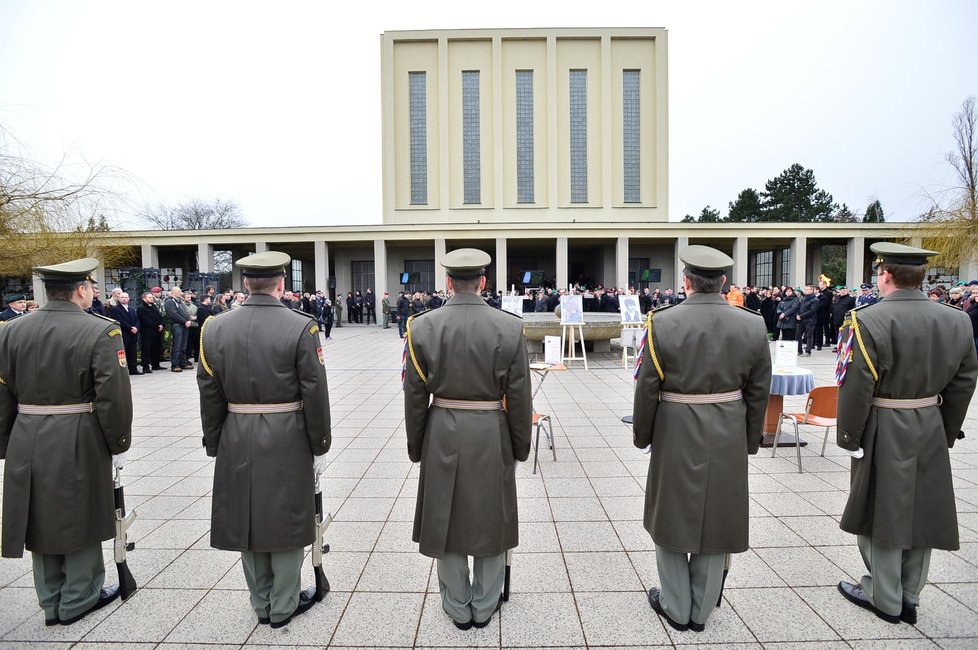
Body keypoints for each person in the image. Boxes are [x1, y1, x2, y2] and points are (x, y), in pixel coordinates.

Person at [834, 242, 977, 624]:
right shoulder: (956, 319)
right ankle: (910, 592)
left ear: (884, 274)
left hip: (884, 422)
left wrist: (849, 437)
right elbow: (964, 381)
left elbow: (856, 386)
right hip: (929, 421)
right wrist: (945, 429)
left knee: (878, 509)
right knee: (920, 510)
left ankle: (884, 594)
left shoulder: (866, 319)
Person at [633, 245, 771, 633]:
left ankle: (676, 604)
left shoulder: (662, 321)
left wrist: (643, 434)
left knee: (671, 511)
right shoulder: (752, 323)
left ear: (686, 281)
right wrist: (749, 440)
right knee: (719, 515)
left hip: (676, 424)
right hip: (728, 424)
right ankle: (702, 605)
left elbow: (647, 387)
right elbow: (760, 390)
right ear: (724, 282)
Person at [197, 251, 331, 628]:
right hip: (286, 431)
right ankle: (284, 603)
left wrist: (215, 441)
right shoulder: (301, 326)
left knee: (247, 516)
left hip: (237, 431)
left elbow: (209, 392)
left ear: (244, 284)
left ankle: (261, 601)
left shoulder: (214, 328)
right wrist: (319, 443)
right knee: (286, 517)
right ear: (281, 283)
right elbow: (314, 392)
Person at [403, 248, 532, 631]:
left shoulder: (422, 326)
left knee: (446, 513)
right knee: (491, 515)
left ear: (447, 282)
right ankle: (485, 602)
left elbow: (413, 395)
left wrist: (417, 444)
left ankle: (458, 604)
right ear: (483, 282)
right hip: (490, 427)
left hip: (442, 425)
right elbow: (520, 397)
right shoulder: (509, 327)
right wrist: (519, 445)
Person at [0, 257, 132, 626]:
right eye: (90, 286)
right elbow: (113, 396)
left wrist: (5, 441)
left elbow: (3, 393)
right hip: (78, 430)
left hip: (27, 430)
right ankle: (79, 595)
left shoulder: (10, 331)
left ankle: (51, 598)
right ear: (80, 290)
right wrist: (118, 441)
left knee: (38, 511)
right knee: (81, 510)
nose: (92, 292)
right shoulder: (100, 331)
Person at [108, 292, 142, 375]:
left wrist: (136, 327)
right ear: (119, 299)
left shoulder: (131, 309)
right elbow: (120, 321)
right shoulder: (115, 309)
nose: (124, 298)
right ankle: (122, 371)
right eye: (122, 297)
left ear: (129, 298)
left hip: (133, 334)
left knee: (132, 352)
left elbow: (137, 320)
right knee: (123, 353)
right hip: (124, 333)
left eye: (126, 297)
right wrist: (130, 328)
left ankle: (133, 369)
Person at [163, 287, 193, 372]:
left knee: (183, 345)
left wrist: (189, 320)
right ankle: (175, 364)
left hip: (184, 325)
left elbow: (186, 312)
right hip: (177, 325)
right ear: (173, 292)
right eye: (179, 291)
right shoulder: (170, 301)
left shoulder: (179, 301)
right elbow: (173, 314)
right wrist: (184, 321)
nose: (181, 293)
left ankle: (182, 362)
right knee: (177, 345)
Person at [137, 290, 165, 373]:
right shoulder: (141, 308)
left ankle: (155, 364)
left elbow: (160, 316)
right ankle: (145, 366)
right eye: (150, 297)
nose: (152, 299)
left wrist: (162, 325)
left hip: (157, 331)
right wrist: (157, 326)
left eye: (152, 297)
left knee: (156, 348)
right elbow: (146, 320)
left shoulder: (154, 306)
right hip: (147, 332)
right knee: (146, 349)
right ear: (144, 298)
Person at [796, 283, 818, 356]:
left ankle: (808, 351)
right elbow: (799, 308)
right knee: (798, 335)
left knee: (809, 336)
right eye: (805, 289)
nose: (806, 291)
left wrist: (801, 316)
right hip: (801, 320)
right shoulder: (803, 298)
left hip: (810, 320)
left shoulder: (815, 300)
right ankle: (799, 350)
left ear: (812, 290)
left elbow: (812, 311)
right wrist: (797, 315)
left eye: (808, 289)